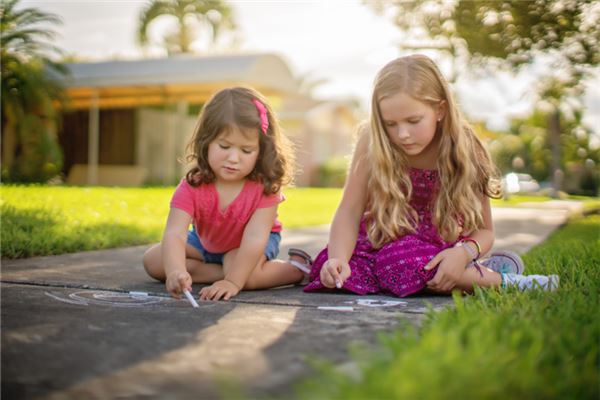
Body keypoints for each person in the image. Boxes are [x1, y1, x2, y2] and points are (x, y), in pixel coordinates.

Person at [303, 54, 559, 297]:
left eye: (413, 121)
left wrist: (463, 253)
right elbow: (350, 210)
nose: (402, 134)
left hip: (433, 250)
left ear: (441, 110)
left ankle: (511, 281)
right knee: (332, 271)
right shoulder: (371, 141)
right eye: (390, 124)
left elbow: (484, 231)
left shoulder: (464, 149)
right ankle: (477, 273)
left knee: (402, 264)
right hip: (376, 243)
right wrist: (338, 259)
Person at [143, 87, 311, 301]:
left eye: (246, 150)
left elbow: (255, 238)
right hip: (206, 243)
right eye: (224, 146)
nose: (233, 158)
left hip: (248, 244)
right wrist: (176, 271)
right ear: (206, 142)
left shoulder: (264, 188)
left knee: (245, 277)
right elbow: (175, 234)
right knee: (155, 261)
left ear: (261, 151)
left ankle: (297, 269)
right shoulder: (192, 186)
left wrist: (233, 282)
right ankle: (220, 272)